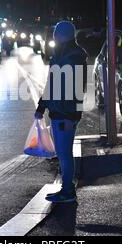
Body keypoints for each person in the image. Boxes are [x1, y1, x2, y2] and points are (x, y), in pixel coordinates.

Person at [35, 21, 88, 204]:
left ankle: (68, 190)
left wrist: (74, 117)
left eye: (57, 33)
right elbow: (52, 85)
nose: (54, 36)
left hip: (65, 114)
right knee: (63, 152)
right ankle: (66, 189)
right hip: (59, 112)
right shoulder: (62, 55)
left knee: (64, 153)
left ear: (64, 35)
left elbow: (78, 90)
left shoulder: (72, 57)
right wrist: (42, 107)